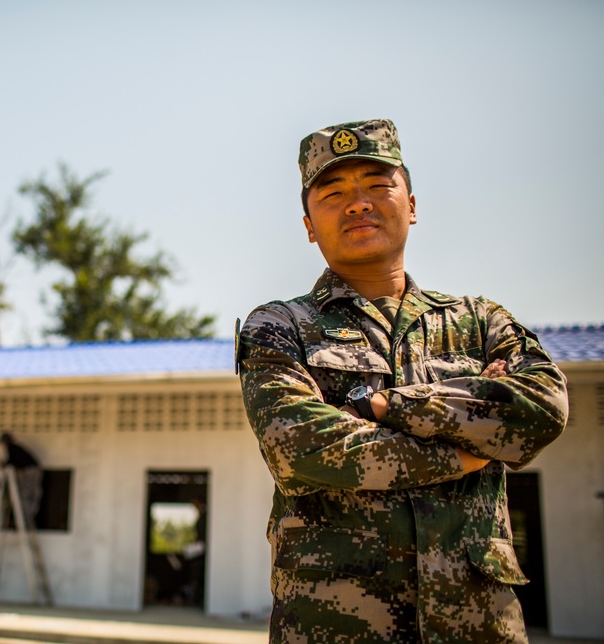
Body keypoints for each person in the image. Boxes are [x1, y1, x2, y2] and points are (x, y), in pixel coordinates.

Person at [236, 118, 568, 643]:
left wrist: (391, 407)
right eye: (333, 191)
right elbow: (300, 450)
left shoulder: (479, 321)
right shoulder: (279, 328)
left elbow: (542, 408)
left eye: (377, 183)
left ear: (411, 204)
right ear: (307, 224)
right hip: (335, 626)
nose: (358, 202)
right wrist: (466, 449)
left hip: (479, 626)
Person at [0, 431, 42, 528]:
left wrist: (2, 464)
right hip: (32, 471)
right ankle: (28, 517)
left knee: (26, 493)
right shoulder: (15, 448)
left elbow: (11, 462)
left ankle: (27, 517)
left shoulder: (12, 448)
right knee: (28, 493)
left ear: (6, 442)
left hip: (30, 472)